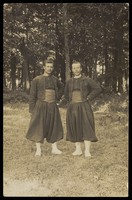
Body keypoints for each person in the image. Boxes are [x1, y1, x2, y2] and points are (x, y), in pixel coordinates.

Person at [61, 61, 102, 158]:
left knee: (86, 126)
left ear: (81, 69)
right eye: (74, 68)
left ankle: (87, 151)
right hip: (72, 107)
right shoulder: (69, 81)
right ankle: (78, 150)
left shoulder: (86, 80)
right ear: (72, 69)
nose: (76, 70)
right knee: (74, 126)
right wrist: (63, 102)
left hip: (84, 106)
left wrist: (88, 98)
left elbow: (98, 88)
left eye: (78, 68)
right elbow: (66, 95)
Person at [26, 59, 64, 156]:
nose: (49, 68)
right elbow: (32, 96)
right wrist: (32, 109)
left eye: (51, 67)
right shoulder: (36, 80)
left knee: (54, 125)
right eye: (48, 66)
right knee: (39, 126)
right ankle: (38, 149)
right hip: (41, 105)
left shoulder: (55, 79)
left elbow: (62, 87)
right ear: (44, 67)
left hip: (52, 105)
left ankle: (54, 148)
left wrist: (57, 97)